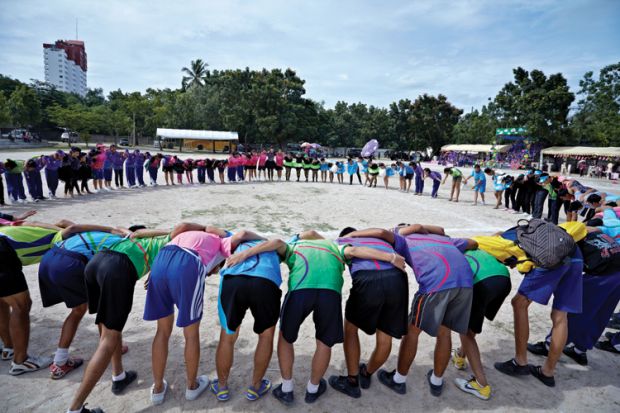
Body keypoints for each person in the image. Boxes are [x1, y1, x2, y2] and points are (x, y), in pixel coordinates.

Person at [224, 230, 406, 406]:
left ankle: (286, 388)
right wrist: (391, 258)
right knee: (324, 343)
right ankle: (313, 388)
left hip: (300, 289)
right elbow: (356, 250)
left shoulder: (295, 245)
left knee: (286, 338)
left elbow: (277, 242)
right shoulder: (334, 246)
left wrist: (244, 254)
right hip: (330, 294)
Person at [66, 223, 198, 413]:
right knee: (108, 339)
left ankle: (118, 376)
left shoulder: (132, 240)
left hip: (96, 264)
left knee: (107, 327)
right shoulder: (164, 240)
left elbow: (137, 234)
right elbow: (180, 228)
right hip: (117, 269)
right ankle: (75, 409)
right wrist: (171, 232)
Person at [145, 226, 265, 405]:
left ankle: (157, 389)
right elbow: (243, 234)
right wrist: (263, 239)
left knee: (162, 331)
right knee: (191, 334)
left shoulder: (194, 235)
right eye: (214, 270)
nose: (211, 273)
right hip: (187, 263)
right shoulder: (219, 242)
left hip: (161, 261)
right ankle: (192, 386)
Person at [378, 224, 477, 397]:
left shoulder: (403, 240)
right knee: (445, 333)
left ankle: (399, 379)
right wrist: (430, 230)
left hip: (436, 284)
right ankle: (436, 381)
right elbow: (472, 242)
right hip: (466, 284)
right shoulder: (444, 239)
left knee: (413, 331)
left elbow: (383, 235)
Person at [494, 226, 583, 387]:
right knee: (560, 316)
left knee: (519, 303)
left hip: (552, 260)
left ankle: (520, 362)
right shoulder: (533, 230)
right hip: (574, 257)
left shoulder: (505, 240)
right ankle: (547, 372)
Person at [38, 225, 130, 379]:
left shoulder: (101, 233)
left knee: (78, 310)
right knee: (103, 307)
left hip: (49, 258)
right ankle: (109, 347)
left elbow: (72, 227)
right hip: (69, 263)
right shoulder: (122, 244)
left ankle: (61, 360)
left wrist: (111, 229)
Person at [328, 227, 409, 399]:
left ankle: (352, 382)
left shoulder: (342, 242)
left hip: (368, 279)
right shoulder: (380, 240)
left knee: (350, 329)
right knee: (385, 334)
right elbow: (380, 232)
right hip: (397, 278)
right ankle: (367, 373)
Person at [528, 222, 620, 366]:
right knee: (601, 314)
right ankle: (579, 349)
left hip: (602, 275)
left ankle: (549, 346)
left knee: (577, 312)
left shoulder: (567, 242)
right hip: (617, 272)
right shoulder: (593, 232)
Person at [209, 234, 283, 402]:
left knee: (227, 336)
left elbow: (238, 233)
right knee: (265, 337)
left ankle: (222, 387)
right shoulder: (272, 245)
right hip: (265, 282)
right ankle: (255, 387)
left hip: (234, 280)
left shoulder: (236, 241)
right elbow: (279, 242)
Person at [451, 248, 512, 400]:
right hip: (503, 278)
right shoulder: (473, 247)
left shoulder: (451, 255)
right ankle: (460, 355)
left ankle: (481, 385)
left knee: (464, 330)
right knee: (473, 322)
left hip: (483, 283)